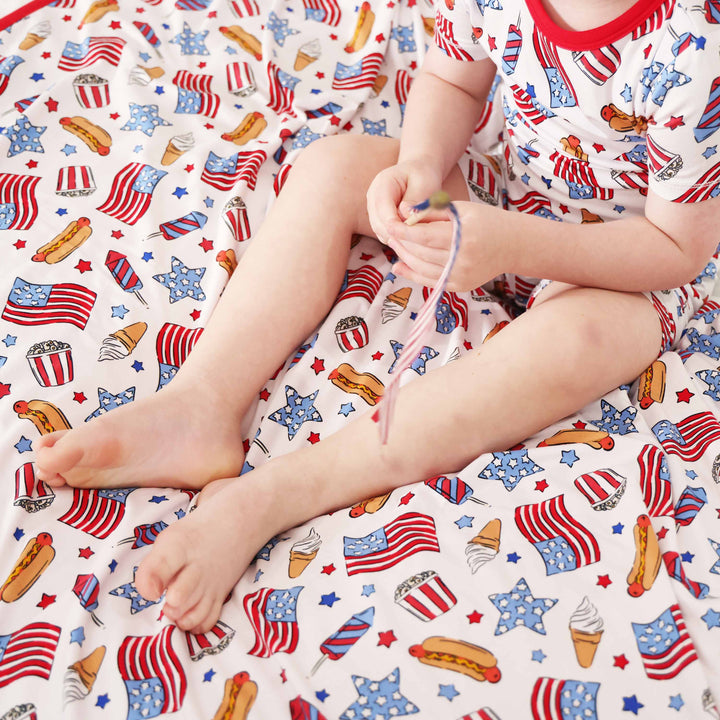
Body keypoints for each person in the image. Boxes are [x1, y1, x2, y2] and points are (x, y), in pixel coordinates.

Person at [34, 0, 720, 633]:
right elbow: (452, 82)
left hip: (624, 262)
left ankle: (272, 496)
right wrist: (419, 166)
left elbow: (674, 249)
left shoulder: (693, 48)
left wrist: (518, 246)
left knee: (583, 340)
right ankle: (199, 402)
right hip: (509, 192)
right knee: (335, 167)